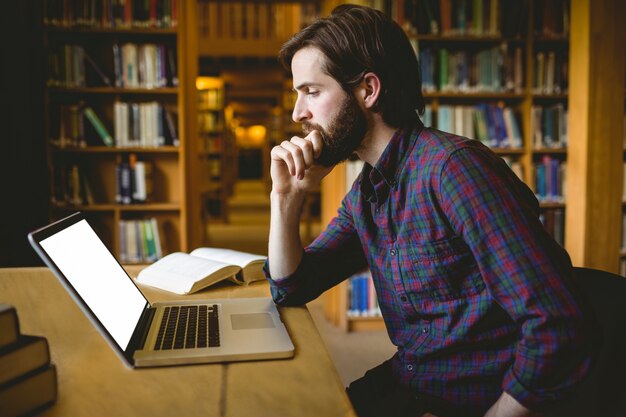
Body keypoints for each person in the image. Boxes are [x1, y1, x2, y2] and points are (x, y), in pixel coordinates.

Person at [264, 5, 595, 417]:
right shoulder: (368, 190)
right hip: (415, 381)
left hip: (476, 399)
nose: (298, 113)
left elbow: (555, 325)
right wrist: (285, 197)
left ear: (368, 90)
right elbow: (290, 286)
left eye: (311, 91)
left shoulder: (454, 171)